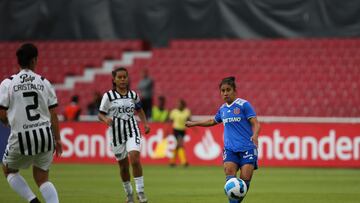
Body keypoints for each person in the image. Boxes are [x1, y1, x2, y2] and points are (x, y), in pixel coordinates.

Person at [0, 43, 62, 203]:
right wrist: (58, 139)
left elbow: (1, 112)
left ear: (18, 61)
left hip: (21, 136)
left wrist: (6, 120)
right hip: (45, 136)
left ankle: (32, 200)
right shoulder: (44, 82)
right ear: (35, 60)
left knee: (9, 170)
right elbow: (54, 114)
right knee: (42, 178)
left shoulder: (8, 83)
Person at [185, 76, 260, 203]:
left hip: (247, 148)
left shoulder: (244, 105)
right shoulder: (223, 109)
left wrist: (256, 135)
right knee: (231, 183)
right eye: (223, 91)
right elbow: (212, 121)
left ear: (234, 91)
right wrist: (194, 123)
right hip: (230, 149)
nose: (225, 93)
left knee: (243, 184)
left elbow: (256, 123)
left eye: (228, 90)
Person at [98, 67, 150, 203]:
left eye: (124, 77)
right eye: (119, 77)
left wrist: (145, 124)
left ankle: (140, 191)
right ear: (114, 80)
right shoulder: (108, 96)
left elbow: (140, 110)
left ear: (127, 79)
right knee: (123, 166)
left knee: (135, 158)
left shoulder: (133, 95)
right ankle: (129, 194)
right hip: (116, 134)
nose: (122, 79)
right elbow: (100, 114)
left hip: (132, 129)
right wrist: (105, 120)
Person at [169, 99, 191, 167]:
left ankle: (172, 161)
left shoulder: (187, 111)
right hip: (176, 129)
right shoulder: (174, 112)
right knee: (180, 144)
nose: (178, 105)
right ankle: (184, 162)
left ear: (183, 105)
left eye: (179, 104)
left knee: (178, 145)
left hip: (183, 130)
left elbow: (189, 119)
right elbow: (170, 120)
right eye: (177, 104)